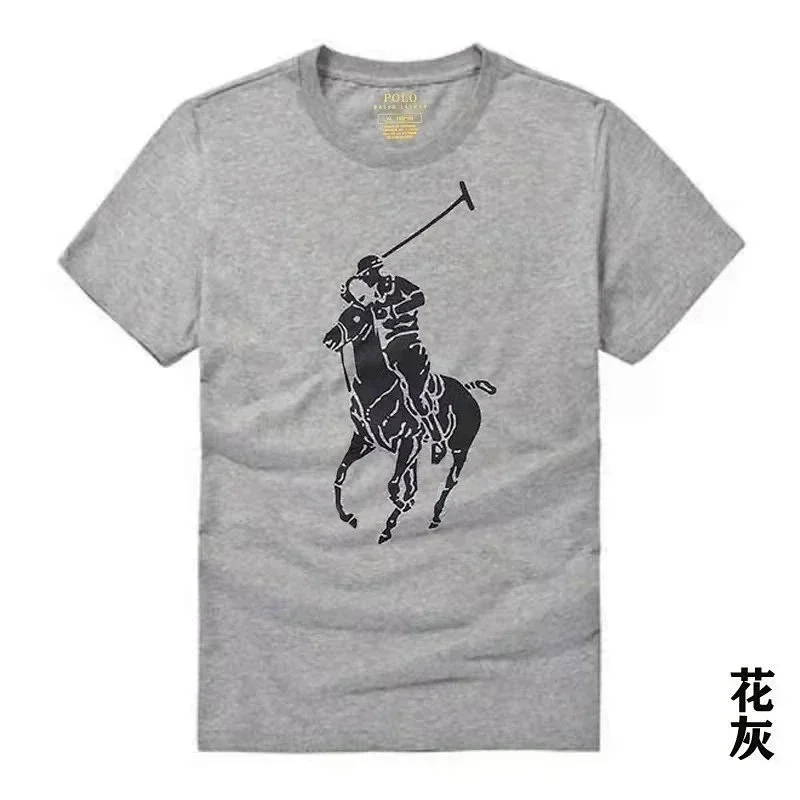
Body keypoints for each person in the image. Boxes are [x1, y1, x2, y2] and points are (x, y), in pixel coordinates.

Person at [341, 254, 446, 462]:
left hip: (409, 345)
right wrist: (349, 298)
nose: (365, 280)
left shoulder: (397, 284)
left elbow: (419, 298)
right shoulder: (374, 294)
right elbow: (366, 313)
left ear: (374, 272)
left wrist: (393, 309)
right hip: (388, 350)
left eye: (366, 276)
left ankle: (438, 438)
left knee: (414, 396)